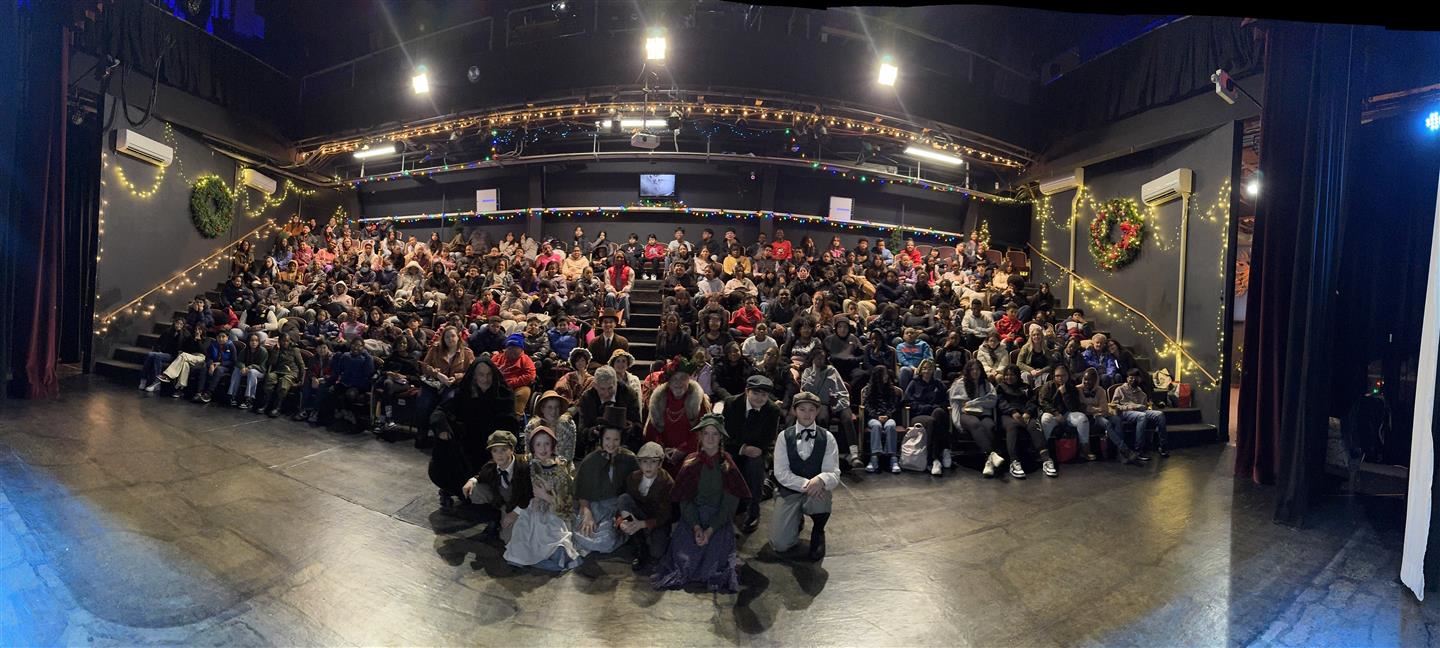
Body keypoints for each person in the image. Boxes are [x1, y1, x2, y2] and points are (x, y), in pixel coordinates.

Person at [651, 414, 750, 593]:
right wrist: (696, 527)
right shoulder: (691, 463)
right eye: (706, 433)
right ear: (700, 436)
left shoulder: (727, 465)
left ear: (721, 438)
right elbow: (685, 500)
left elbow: (729, 504)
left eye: (715, 434)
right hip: (693, 518)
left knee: (713, 562)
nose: (710, 438)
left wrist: (710, 529)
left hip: (718, 519)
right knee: (686, 560)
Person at [430, 357, 522, 504]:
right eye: (481, 374)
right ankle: (453, 488)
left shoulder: (504, 395)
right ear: (474, 376)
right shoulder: (464, 392)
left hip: (493, 446)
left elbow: (510, 425)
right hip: (468, 443)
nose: (485, 379)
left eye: (489, 374)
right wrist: (442, 429)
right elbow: (441, 411)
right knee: (446, 445)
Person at [770, 392, 840, 561]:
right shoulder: (784, 437)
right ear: (794, 411)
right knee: (780, 544)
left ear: (817, 411)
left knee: (822, 494)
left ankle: (818, 531)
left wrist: (821, 479)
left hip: (816, 493)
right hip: (789, 491)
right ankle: (795, 519)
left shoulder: (828, 437)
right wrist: (809, 483)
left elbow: (833, 472)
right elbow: (781, 473)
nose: (807, 414)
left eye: (811, 410)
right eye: (802, 409)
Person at [504, 426, 584, 571]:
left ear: (552, 446)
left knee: (551, 534)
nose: (543, 448)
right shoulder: (528, 467)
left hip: (554, 511)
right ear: (533, 447)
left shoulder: (560, 469)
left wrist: (546, 496)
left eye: (547, 444)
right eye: (538, 444)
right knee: (524, 532)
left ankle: (553, 554)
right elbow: (522, 492)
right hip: (531, 509)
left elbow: (566, 500)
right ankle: (530, 556)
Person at [722, 374, 782, 534]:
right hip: (734, 448)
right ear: (747, 391)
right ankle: (727, 508)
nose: (760, 398)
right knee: (728, 463)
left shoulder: (772, 410)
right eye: (755, 393)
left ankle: (753, 510)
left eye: (764, 394)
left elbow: (769, 439)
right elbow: (726, 434)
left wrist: (758, 450)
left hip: (758, 451)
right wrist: (742, 448)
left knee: (754, 464)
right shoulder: (731, 404)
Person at [571, 421, 639, 555]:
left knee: (608, 539)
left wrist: (621, 515)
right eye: (607, 439)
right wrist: (587, 512)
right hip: (595, 505)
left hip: (619, 508)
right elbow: (582, 491)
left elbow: (633, 492)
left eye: (616, 439)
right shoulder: (591, 460)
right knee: (583, 530)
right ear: (601, 438)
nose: (611, 444)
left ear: (621, 440)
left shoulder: (629, 459)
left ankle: (621, 534)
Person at [462, 431, 533, 542]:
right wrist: (472, 480)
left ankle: (510, 525)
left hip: (520, 505)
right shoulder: (491, 466)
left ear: (512, 450)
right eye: (495, 451)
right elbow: (481, 475)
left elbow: (529, 495)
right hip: (503, 503)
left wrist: (514, 513)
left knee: (509, 539)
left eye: (503, 450)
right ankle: (495, 519)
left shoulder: (523, 466)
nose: (499, 455)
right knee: (476, 489)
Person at [644, 355, 712, 470]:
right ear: (668, 382)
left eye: (683, 378)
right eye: (675, 379)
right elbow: (652, 431)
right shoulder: (658, 401)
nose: (678, 383)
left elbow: (703, 430)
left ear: (689, 380)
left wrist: (682, 450)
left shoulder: (699, 401)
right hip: (663, 458)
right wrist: (661, 449)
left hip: (692, 458)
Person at [797, 347, 860, 468]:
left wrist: (839, 403)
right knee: (822, 418)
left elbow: (842, 389)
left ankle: (854, 453)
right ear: (812, 359)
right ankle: (823, 452)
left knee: (847, 418)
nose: (820, 361)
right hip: (821, 403)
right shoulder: (807, 372)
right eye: (818, 358)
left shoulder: (831, 370)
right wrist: (815, 372)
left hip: (838, 401)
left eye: (822, 358)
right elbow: (806, 390)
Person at [617, 442, 674, 572]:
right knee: (623, 498)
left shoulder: (667, 483)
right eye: (644, 461)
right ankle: (639, 544)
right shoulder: (633, 478)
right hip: (638, 515)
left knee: (657, 552)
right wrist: (622, 522)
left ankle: (648, 538)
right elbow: (623, 504)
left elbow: (666, 515)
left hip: (656, 521)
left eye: (653, 461)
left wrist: (643, 524)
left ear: (660, 463)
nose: (648, 466)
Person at [995, 364, 1056, 479]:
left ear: (1017, 375)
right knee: (1012, 426)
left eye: (1012, 375)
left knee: (1034, 425)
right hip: (1007, 415)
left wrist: (1028, 412)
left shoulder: (1025, 387)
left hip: (1025, 414)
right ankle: (1014, 462)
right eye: (1006, 375)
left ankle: (1046, 459)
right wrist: (1012, 412)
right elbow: (1001, 402)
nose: (1009, 377)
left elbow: (1032, 401)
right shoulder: (1000, 387)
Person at [949, 360, 1003, 477]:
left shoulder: (986, 384)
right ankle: (992, 454)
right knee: (975, 424)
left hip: (983, 413)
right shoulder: (959, 384)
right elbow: (955, 404)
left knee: (989, 426)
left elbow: (992, 401)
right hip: (966, 415)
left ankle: (989, 462)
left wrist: (975, 402)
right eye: (972, 369)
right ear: (968, 371)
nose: (975, 372)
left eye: (977, 369)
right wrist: (956, 422)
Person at [1079, 367, 1142, 465]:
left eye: (1090, 380)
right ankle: (1125, 450)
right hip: (1088, 418)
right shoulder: (1078, 389)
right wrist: (1095, 409)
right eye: (1085, 379)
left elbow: (1104, 408)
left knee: (1117, 419)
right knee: (1106, 423)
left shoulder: (1100, 391)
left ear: (1095, 380)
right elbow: (1081, 408)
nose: (1087, 382)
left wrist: (1091, 408)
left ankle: (1119, 453)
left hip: (1101, 415)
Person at [576, 365, 644, 454]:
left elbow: (638, 427)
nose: (607, 394)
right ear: (595, 386)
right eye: (602, 389)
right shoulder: (587, 398)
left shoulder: (629, 394)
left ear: (616, 383)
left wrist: (630, 428)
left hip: (625, 446)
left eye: (610, 388)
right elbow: (582, 433)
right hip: (596, 447)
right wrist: (593, 432)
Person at [904, 359, 951, 476]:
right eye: (924, 368)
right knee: (931, 421)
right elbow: (907, 401)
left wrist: (936, 407)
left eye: (930, 368)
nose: (927, 371)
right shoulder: (914, 383)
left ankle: (942, 452)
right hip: (918, 414)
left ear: (934, 370)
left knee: (939, 413)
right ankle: (934, 458)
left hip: (934, 412)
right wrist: (926, 407)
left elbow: (945, 401)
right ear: (920, 370)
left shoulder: (938, 384)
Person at [1039, 364, 1093, 462]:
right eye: (1057, 376)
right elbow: (1043, 403)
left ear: (1068, 375)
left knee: (1082, 419)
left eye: (1063, 375)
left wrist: (1064, 393)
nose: (1060, 378)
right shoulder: (1048, 386)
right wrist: (1056, 413)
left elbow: (1073, 407)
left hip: (1067, 413)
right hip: (1052, 414)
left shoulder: (1072, 387)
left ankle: (1084, 448)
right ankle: (1049, 449)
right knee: (1045, 419)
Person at [1111, 368, 1169, 458]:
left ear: (1139, 379)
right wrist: (1132, 407)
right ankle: (1138, 450)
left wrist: (1147, 407)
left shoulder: (1141, 392)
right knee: (1142, 416)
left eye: (1135, 378)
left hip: (1140, 412)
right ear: (1127, 379)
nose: (1133, 380)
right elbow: (1114, 405)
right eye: (1131, 378)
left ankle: (1162, 446)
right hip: (1125, 412)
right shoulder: (1120, 389)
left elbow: (1145, 406)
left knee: (1159, 414)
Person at [861, 366, 904, 474]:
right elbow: (867, 406)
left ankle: (893, 458)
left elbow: (894, 406)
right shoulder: (869, 389)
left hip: (888, 417)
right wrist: (877, 417)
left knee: (890, 425)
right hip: (873, 417)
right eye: (884, 374)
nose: (886, 376)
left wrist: (887, 416)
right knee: (877, 425)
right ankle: (874, 457)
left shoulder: (891, 389)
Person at [257, 333, 304, 418]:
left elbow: (301, 365)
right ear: (279, 341)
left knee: (284, 383)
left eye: (287, 341)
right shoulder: (277, 349)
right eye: (283, 341)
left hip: (291, 372)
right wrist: (276, 351)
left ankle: (278, 407)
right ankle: (266, 404)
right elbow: (272, 362)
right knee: (270, 377)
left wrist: (301, 379)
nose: (285, 343)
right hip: (279, 370)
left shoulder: (295, 350)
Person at [526, 390, 578, 463]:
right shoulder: (532, 426)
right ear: (542, 409)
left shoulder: (568, 425)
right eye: (549, 407)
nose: (553, 411)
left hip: (562, 466)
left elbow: (569, 455)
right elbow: (528, 454)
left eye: (557, 407)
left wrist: (553, 464)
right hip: (536, 466)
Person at [156, 323, 208, 397]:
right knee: (185, 364)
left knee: (183, 355)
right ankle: (180, 389)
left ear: (203, 330)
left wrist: (199, 340)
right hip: (190, 356)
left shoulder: (207, 339)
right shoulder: (190, 338)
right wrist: (194, 340)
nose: (197, 331)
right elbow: (188, 350)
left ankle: (167, 375)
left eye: (199, 329)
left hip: (200, 358)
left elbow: (204, 351)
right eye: (196, 329)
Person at [493, 333, 537, 416]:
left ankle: (515, 417)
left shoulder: (525, 359)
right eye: (510, 348)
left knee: (523, 393)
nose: (512, 350)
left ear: (521, 349)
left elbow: (530, 375)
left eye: (515, 348)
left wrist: (512, 383)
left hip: (517, 386)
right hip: (498, 385)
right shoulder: (497, 358)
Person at [140, 317, 187, 392]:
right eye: (177, 323)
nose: (178, 325)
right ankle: (143, 379)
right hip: (163, 352)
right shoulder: (168, 331)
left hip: (173, 355)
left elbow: (181, 347)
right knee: (150, 354)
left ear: (183, 325)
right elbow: (158, 342)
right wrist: (159, 350)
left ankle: (157, 382)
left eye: (181, 324)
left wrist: (179, 334)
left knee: (157, 356)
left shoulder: (184, 334)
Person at [228, 333, 269, 409]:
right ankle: (232, 396)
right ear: (248, 341)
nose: (254, 342)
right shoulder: (245, 350)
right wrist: (243, 367)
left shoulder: (263, 351)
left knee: (252, 372)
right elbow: (238, 361)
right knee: (237, 369)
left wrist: (250, 367)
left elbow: (262, 367)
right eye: (252, 340)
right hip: (247, 370)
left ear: (259, 342)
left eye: (256, 340)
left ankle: (249, 399)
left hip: (259, 372)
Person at [196, 331, 237, 404]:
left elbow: (233, 361)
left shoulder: (231, 346)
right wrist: (211, 364)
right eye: (219, 337)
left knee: (218, 369)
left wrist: (220, 363)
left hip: (225, 366)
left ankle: (208, 393)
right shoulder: (213, 345)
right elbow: (208, 358)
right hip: (213, 364)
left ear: (227, 337)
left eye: (223, 337)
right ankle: (199, 392)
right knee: (204, 366)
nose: (221, 339)